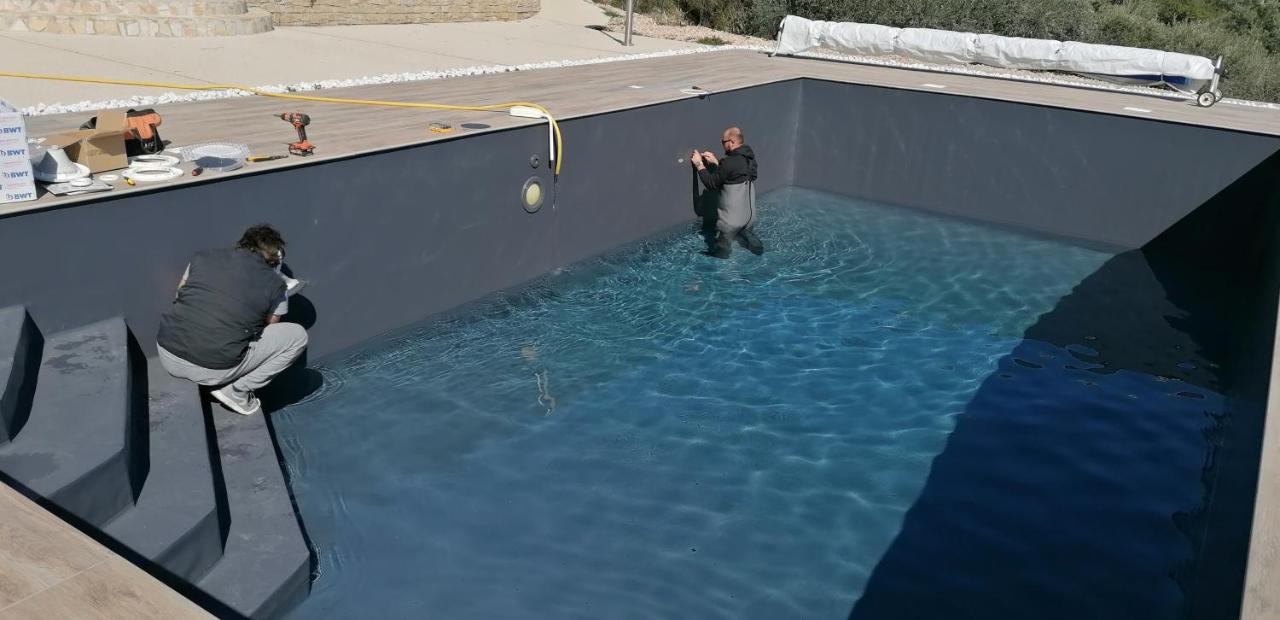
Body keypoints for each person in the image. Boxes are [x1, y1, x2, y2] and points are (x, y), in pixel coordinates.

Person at [156, 225, 309, 416]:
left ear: (242, 243)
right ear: (274, 259)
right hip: (210, 370)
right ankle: (237, 392)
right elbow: (269, 326)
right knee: (297, 336)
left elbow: (180, 295)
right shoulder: (276, 285)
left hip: (166, 352)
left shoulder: (202, 257)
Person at [691, 126, 764, 259]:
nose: (722, 144)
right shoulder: (749, 159)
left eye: (723, 142)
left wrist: (699, 165)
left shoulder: (729, 162)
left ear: (731, 142)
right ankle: (756, 248)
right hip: (748, 217)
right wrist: (717, 162)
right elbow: (736, 173)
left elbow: (711, 183)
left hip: (731, 222)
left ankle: (721, 258)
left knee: (721, 251)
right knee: (750, 239)